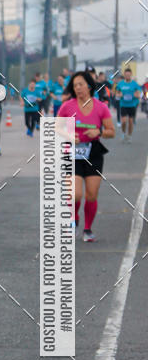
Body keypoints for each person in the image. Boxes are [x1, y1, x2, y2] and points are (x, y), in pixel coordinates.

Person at [58, 70, 114, 242]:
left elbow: (111, 131)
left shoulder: (101, 107)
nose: (78, 88)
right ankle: (73, 219)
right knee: (75, 194)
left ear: (89, 86)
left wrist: (99, 132)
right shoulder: (67, 106)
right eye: (75, 86)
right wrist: (68, 136)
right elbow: (56, 127)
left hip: (94, 152)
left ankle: (88, 229)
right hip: (72, 152)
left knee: (91, 194)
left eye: (81, 84)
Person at [115, 68, 142, 141]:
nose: (127, 76)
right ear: (124, 75)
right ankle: (123, 133)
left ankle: (129, 135)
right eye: (126, 75)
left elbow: (139, 93)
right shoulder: (120, 84)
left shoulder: (134, 84)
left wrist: (137, 95)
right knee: (123, 121)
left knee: (130, 122)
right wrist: (119, 95)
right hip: (123, 104)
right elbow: (117, 93)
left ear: (131, 75)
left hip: (132, 105)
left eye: (129, 75)